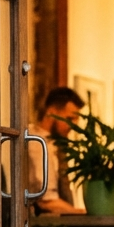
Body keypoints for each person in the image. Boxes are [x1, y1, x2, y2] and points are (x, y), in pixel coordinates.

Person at [27, 87, 85, 215]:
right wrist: (80, 214)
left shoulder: (56, 144)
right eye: (69, 119)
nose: (73, 126)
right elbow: (46, 201)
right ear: (51, 112)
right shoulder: (37, 143)